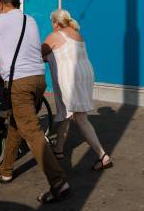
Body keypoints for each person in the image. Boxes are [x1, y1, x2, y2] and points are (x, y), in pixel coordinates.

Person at [0, 0, 70, 204]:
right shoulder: (30, 20)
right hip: (38, 80)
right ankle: (6, 170)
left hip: (19, 83)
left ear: (1, 4)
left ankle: (58, 182)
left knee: (31, 131)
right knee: (15, 124)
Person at [42, 9, 113, 171]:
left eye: (52, 22)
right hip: (85, 73)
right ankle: (58, 150)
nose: (51, 25)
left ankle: (102, 156)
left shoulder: (55, 36)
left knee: (80, 118)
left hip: (71, 76)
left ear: (56, 22)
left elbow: (38, 54)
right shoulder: (76, 34)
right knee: (68, 112)